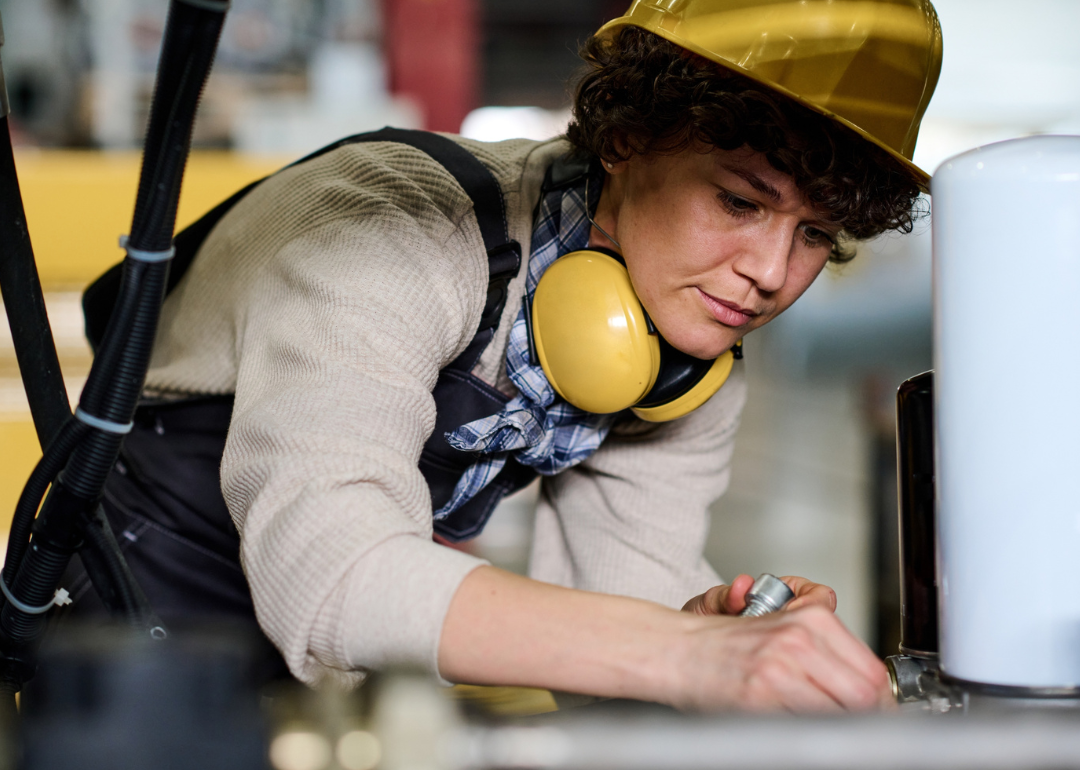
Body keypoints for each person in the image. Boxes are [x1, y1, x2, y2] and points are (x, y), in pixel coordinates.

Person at [68, 0, 942, 711]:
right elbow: (330, 574)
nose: (768, 276)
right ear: (629, 137)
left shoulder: (689, 365)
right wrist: (685, 655)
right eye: (738, 200)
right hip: (142, 612)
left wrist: (712, 629)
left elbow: (621, 608)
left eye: (814, 236)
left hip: (343, 674)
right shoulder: (390, 227)